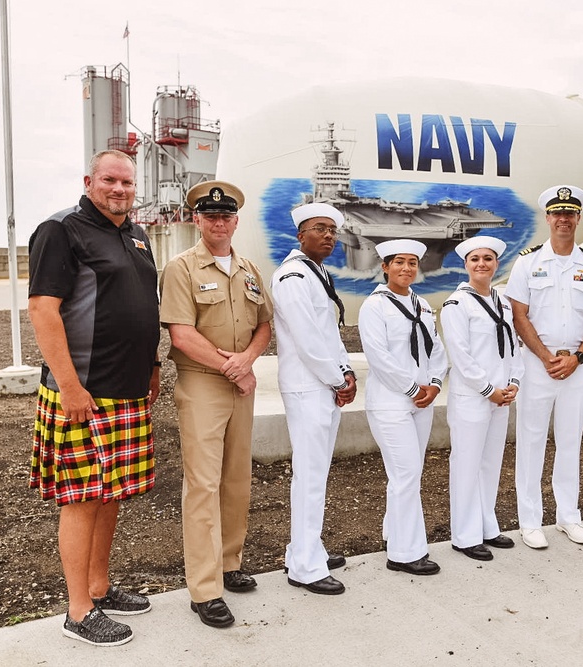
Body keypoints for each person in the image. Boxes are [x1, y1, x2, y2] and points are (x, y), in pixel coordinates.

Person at [27, 149, 160, 646]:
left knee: (110, 496)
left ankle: (99, 588)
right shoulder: (61, 229)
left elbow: (143, 305)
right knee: (82, 498)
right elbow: (43, 309)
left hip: (126, 390)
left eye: (127, 182)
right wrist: (69, 386)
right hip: (83, 390)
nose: (120, 189)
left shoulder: (137, 234)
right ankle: (78, 611)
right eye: (110, 180)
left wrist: (151, 366)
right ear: (89, 181)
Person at [159, 181, 273, 628]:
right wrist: (235, 369)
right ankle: (204, 589)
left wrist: (248, 360)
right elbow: (181, 334)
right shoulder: (181, 268)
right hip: (203, 384)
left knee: (236, 479)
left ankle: (230, 563)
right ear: (197, 220)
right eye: (210, 216)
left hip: (238, 381)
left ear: (235, 222)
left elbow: (264, 324)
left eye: (226, 217)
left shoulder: (248, 269)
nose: (219, 223)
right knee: (203, 485)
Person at [505, 185, 583, 549]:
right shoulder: (528, 263)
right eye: (558, 213)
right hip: (538, 364)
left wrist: (578, 357)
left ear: (578, 218)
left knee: (570, 440)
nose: (564, 219)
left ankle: (568, 516)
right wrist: (544, 356)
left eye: (570, 213)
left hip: (577, 365)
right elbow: (519, 315)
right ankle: (529, 521)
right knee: (532, 440)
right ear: (548, 218)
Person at [272, 202, 356, 595]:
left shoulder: (316, 272)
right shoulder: (292, 276)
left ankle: (305, 549)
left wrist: (346, 371)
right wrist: (338, 379)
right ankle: (305, 567)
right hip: (309, 387)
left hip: (322, 384)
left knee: (316, 473)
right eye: (319, 229)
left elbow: (329, 333)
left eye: (333, 231)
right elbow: (307, 340)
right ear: (300, 235)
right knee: (309, 477)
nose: (328, 236)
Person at [358, 239, 448, 575]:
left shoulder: (423, 304)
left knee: (407, 474)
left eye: (412, 262)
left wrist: (436, 383)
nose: (406, 268)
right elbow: (378, 357)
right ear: (384, 266)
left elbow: (436, 349)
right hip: (391, 402)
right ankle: (405, 553)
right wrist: (412, 387)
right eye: (399, 262)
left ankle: (393, 533)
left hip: (422, 401)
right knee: (406, 474)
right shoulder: (375, 306)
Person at [440, 236, 524, 561]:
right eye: (475, 259)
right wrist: (489, 389)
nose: (481, 264)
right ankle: (464, 535)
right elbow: (460, 356)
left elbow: (514, 347)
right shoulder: (457, 304)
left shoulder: (502, 302)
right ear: (466, 265)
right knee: (466, 465)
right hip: (474, 398)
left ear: (496, 264)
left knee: (490, 464)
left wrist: (514, 382)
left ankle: (487, 526)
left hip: (501, 396)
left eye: (487, 258)